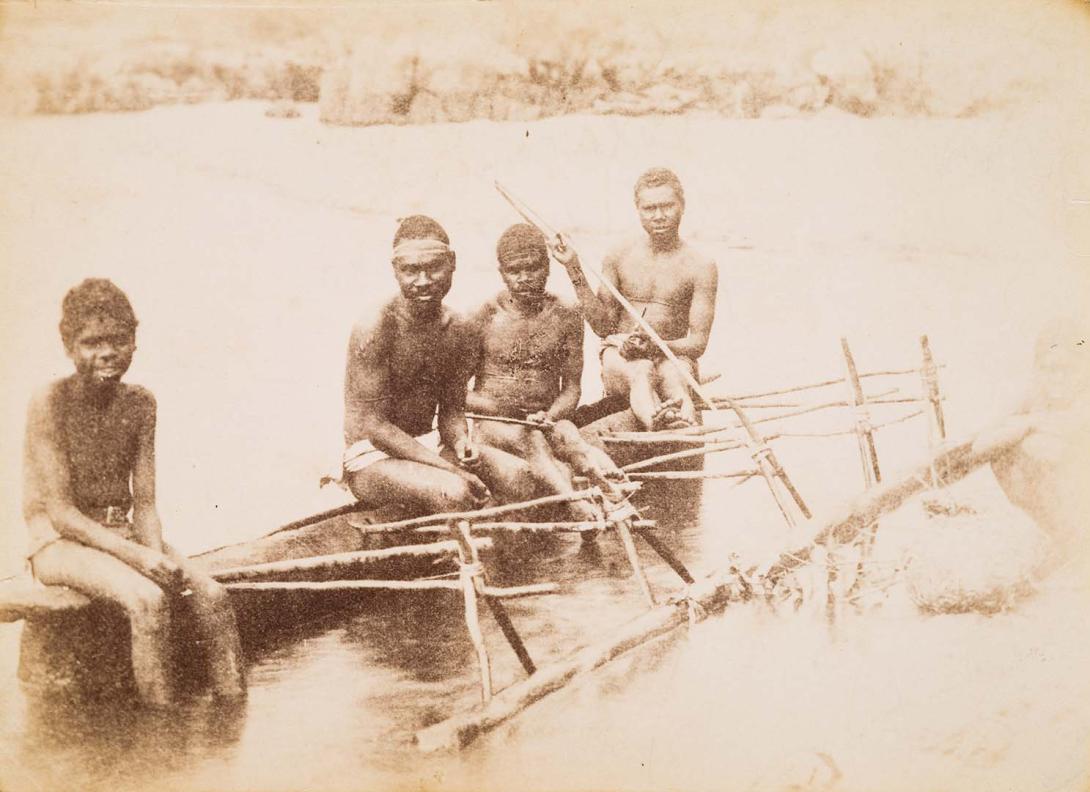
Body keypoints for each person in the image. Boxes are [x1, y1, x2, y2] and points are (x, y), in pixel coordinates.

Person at [23, 279, 244, 707]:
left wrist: (156, 553)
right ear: (69, 347)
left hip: (120, 534)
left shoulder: (141, 403)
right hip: (58, 542)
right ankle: (159, 733)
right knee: (147, 600)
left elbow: (143, 502)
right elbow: (62, 512)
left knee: (215, 598)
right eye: (91, 342)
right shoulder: (49, 401)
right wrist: (142, 560)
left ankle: (234, 713)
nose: (107, 352)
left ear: (134, 344)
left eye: (118, 341)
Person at [466, 224, 626, 521]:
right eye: (515, 270)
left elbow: (572, 389)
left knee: (568, 434)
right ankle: (576, 504)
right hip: (494, 424)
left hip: (546, 419)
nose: (525, 278)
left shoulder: (567, 314)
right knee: (531, 437)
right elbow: (456, 394)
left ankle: (610, 489)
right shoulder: (480, 316)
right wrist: (504, 409)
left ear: (548, 266)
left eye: (533, 267)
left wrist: (550, 418)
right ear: (502, 272)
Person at [341, 215, 490, 516]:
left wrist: (462, 443)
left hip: (427, 445)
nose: (423, 281)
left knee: (513, 476)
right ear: (395, 270)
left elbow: (451, 411)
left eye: (434, 267)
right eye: (410, 270)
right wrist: (453, 470)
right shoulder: (377, 327)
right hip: (372, 455)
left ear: (452, 263)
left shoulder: (459, 329)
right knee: (456, 491)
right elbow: (375, 427)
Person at [551, 167, 718, 430]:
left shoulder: (700, 266)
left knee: (674, 374)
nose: (659, 216)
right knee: (641, 371)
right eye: (649, 209)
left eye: (667, 206)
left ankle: (682, 412)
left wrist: (656, 346)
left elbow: (697, 343)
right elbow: (603, 327)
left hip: (672, 358)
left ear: (682, 206)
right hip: (622, 357)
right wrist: (573, 267)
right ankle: (656, 421)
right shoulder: (619, 256)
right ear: (637, 209)